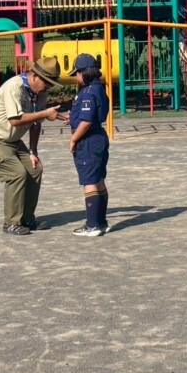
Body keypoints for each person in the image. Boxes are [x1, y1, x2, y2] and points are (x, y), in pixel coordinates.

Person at [0, 57, 68, 235]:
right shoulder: (14, 87)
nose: (48, 87)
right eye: (47, 83)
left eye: (51, 84)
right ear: (35, 76)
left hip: (12, 140)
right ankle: (11, 223)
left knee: (34, 169)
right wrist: (44, 113)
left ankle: (27, 219)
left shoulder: (40, 93)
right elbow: (15, 120)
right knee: (16, 173)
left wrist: (33, 151)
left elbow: (36, 123)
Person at [67, 53, 111, 237]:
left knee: (89, 182)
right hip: (98, 137)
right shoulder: (99, 88)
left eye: (77, 73)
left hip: (88, 140)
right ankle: (101, 222)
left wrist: (73, 139)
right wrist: (72, 119)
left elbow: (86, 122)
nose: (76, 77)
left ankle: (92, 225)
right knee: (98, 180)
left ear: (84, 73)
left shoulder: (87, 93)